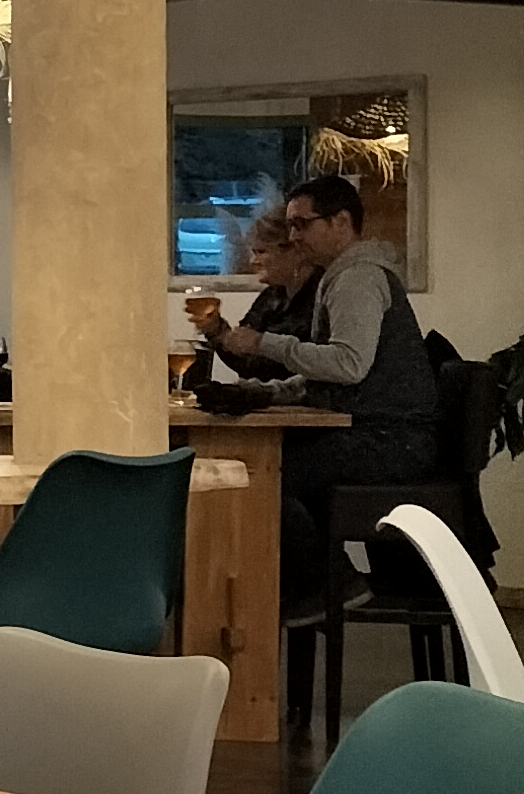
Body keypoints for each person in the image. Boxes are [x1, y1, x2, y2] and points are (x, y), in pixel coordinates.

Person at [187, 172, 438, 601]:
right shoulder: (341, 276)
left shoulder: (358, 278)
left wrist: (267, 344)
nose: (293, 236)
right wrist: (269, 392)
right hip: (385, 434)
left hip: (391, 440)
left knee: (261, 474)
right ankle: (307, 589)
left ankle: (324, 586)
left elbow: (348, 365)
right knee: (264, 466)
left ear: (341, 222)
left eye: (301, 224)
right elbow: (330, 373)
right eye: (290, 226)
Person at [184, 206, 316, 411]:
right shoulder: (272, 296)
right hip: (267, 409)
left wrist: (250, 343)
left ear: (295, 251)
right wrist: (216, 331)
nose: (253, 261)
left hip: (306, 414)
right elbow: (246, 363)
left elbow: (303, 369)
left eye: (261, 252)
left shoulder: (320, 298)